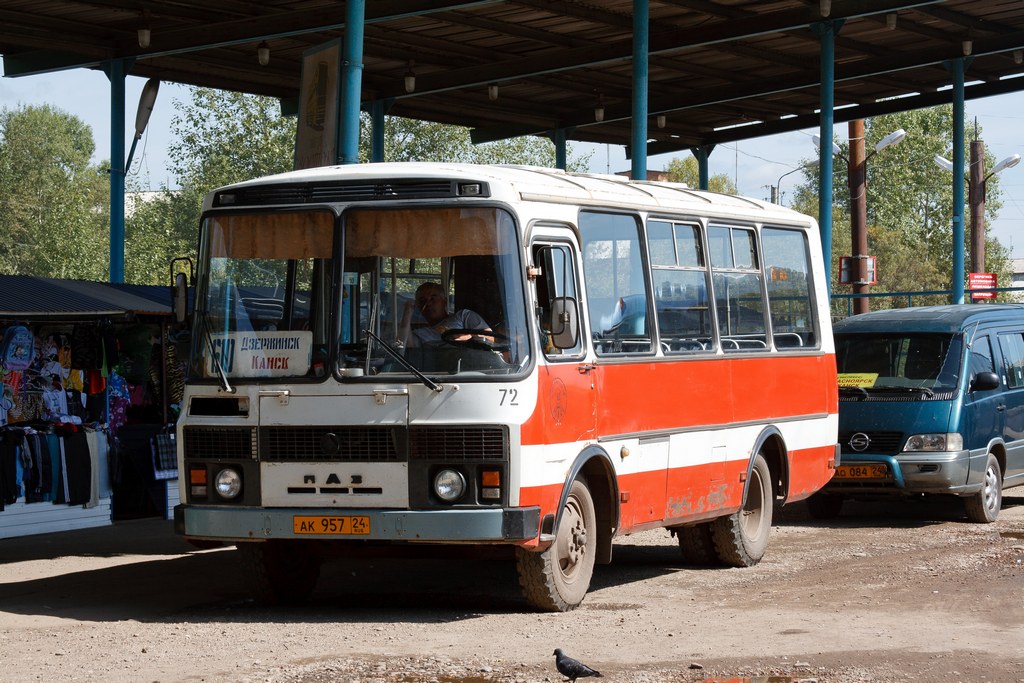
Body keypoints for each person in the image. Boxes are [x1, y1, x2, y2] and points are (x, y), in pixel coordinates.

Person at [398, 282, 490, 348]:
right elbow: (405, 346)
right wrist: (407, 312)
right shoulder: (421, 334)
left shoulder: (463, 316)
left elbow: (490, 338)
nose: (428, 304)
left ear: (444, 301)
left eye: (433, 299)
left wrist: (468, 338)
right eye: (423, 301)